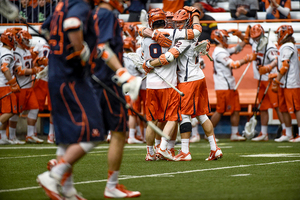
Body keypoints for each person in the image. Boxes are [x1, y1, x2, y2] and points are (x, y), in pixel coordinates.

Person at [36, 0, 141, 199]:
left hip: (69, 76)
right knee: (99, 132)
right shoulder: (95, 11)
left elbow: (46, 29)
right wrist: (79, 50)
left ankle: (67, 189)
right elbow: (91, 39)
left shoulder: (63, 5)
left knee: (69, 136)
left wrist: (63, 53)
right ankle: (57, 173)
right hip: (90, 79)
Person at [145, 7, 223, 161]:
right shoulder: (190, 32)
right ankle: (215, 148)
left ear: (187, 21)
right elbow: (197, 30)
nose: (177, 24)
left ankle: (185, 151)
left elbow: (169, 57)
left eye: (180, 22)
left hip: (188, 80)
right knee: (201, 115)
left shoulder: (181, 36)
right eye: (176, 22)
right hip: (198, 77)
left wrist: (149, 64)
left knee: (183, 115)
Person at [210, 29, 256, 141]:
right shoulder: (219, 52)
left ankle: (234, 134)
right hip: (223, 86)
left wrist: (243, 38)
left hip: (229, 85)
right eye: (224, 37)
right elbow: (234, 65)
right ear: (219, 38)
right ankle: (209, 134)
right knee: (220, 110)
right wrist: (247, 59)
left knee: (235, 109)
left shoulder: (223, 50)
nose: (226, 40)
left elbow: (237, 49)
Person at [9, 29, 44, 144]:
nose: (28, 42)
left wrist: (38, 63)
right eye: (25, 39)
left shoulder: (27, 51)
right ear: (19, 39)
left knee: (35, 108)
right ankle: (12, 136)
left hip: (29, 86)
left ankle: (30, 135)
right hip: (21, 86)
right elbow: (19, 71)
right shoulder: (16, 52)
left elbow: (30, 64)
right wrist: (34, 70)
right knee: (15, 112)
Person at [273, 25, 300, 142]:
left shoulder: (287, 46)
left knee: (296, 108)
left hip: (291, 83)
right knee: (283, 108)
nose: (278, 37)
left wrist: (276, 80)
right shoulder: (285, 46)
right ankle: (288, 133)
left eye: (279, 34)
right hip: (285, 82)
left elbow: (285, 66)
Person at [31, 39, 55, 144]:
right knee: (35, 107)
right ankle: (32, 133)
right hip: (41, 78)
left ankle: (51, 135)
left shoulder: (60, 43)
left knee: (53, 108)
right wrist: (36, 66)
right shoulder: (40, 43)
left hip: (53, 79)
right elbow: (33, 60)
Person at [0, 29, 21, 145]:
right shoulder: (7, 52)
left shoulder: (1, 49)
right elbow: (4, 68)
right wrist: (12, 83)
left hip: (1, 84)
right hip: (4, 85)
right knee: (11, 111)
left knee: (4, 112)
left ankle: (2, 137)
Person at [123, 37, 144, 144]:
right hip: (133, 86)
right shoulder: (132, 57)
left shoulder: (120, 57)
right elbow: (140, 70)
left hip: (123, 85)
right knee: (133, 113)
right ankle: (131, 136)